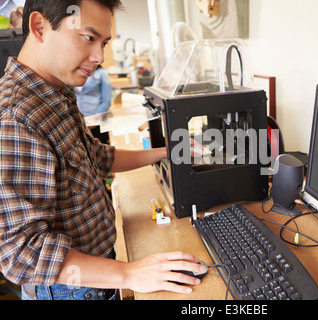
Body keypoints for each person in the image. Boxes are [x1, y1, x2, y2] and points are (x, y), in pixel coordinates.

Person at [0, 0, 206, 300]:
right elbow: (21, 253)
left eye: (104, 42)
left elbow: (96, 157)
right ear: (40, 27)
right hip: (70, 287)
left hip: (99, 269)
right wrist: (130, 274)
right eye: (88, 37)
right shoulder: (15, 116)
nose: (99, 57)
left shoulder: (55, 92)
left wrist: (168, 152)